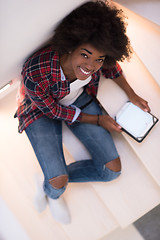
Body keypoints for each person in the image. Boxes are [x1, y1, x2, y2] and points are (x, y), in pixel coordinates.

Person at [14, 0, 150, 224]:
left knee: (111, 171)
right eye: (85, 55)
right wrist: (98, 120)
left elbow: (112, 67)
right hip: (38, 110)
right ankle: (52, 188)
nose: (91, 65)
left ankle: (50, 179)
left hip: (77, 101)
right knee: (58, 183)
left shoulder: (99, 62)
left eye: (98, 59)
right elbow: (54, 111)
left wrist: (132, 93)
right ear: (70, 46)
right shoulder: (35, 70)